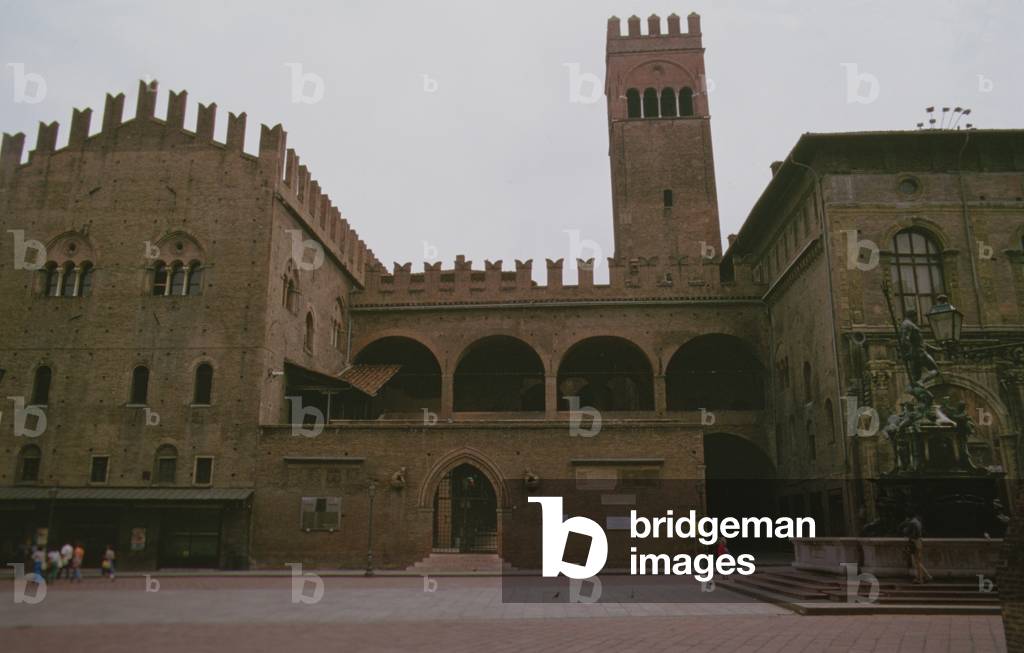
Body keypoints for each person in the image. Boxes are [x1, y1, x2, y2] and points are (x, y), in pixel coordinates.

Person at [901, 513, 933, 584]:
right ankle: (927, 576)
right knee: (918, 561)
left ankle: (920, 579)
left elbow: (906, 532)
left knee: (917, 562)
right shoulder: (918, 522)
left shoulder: (911, 523)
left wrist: (905, 526)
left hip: (914, 542)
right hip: (919, 542)